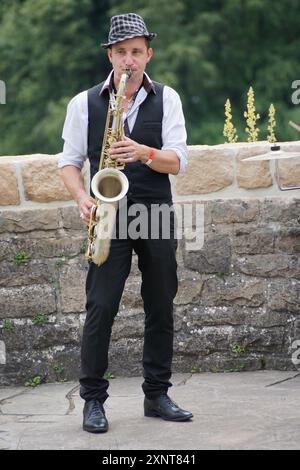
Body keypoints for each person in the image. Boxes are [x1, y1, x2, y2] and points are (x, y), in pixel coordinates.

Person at [59, 12, 193, 433]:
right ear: (110, 56)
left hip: (154, 211)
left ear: (148, 54)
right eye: (121, 52)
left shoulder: (167, 98)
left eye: (137, 51)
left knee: (160, 304)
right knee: (100, 308)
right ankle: (93, 402)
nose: (129, 60)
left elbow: (179, 161)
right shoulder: (83, 103)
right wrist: (83, 198)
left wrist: (143, 152)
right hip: (107, 215)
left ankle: (156, 394)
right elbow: (68, 163)